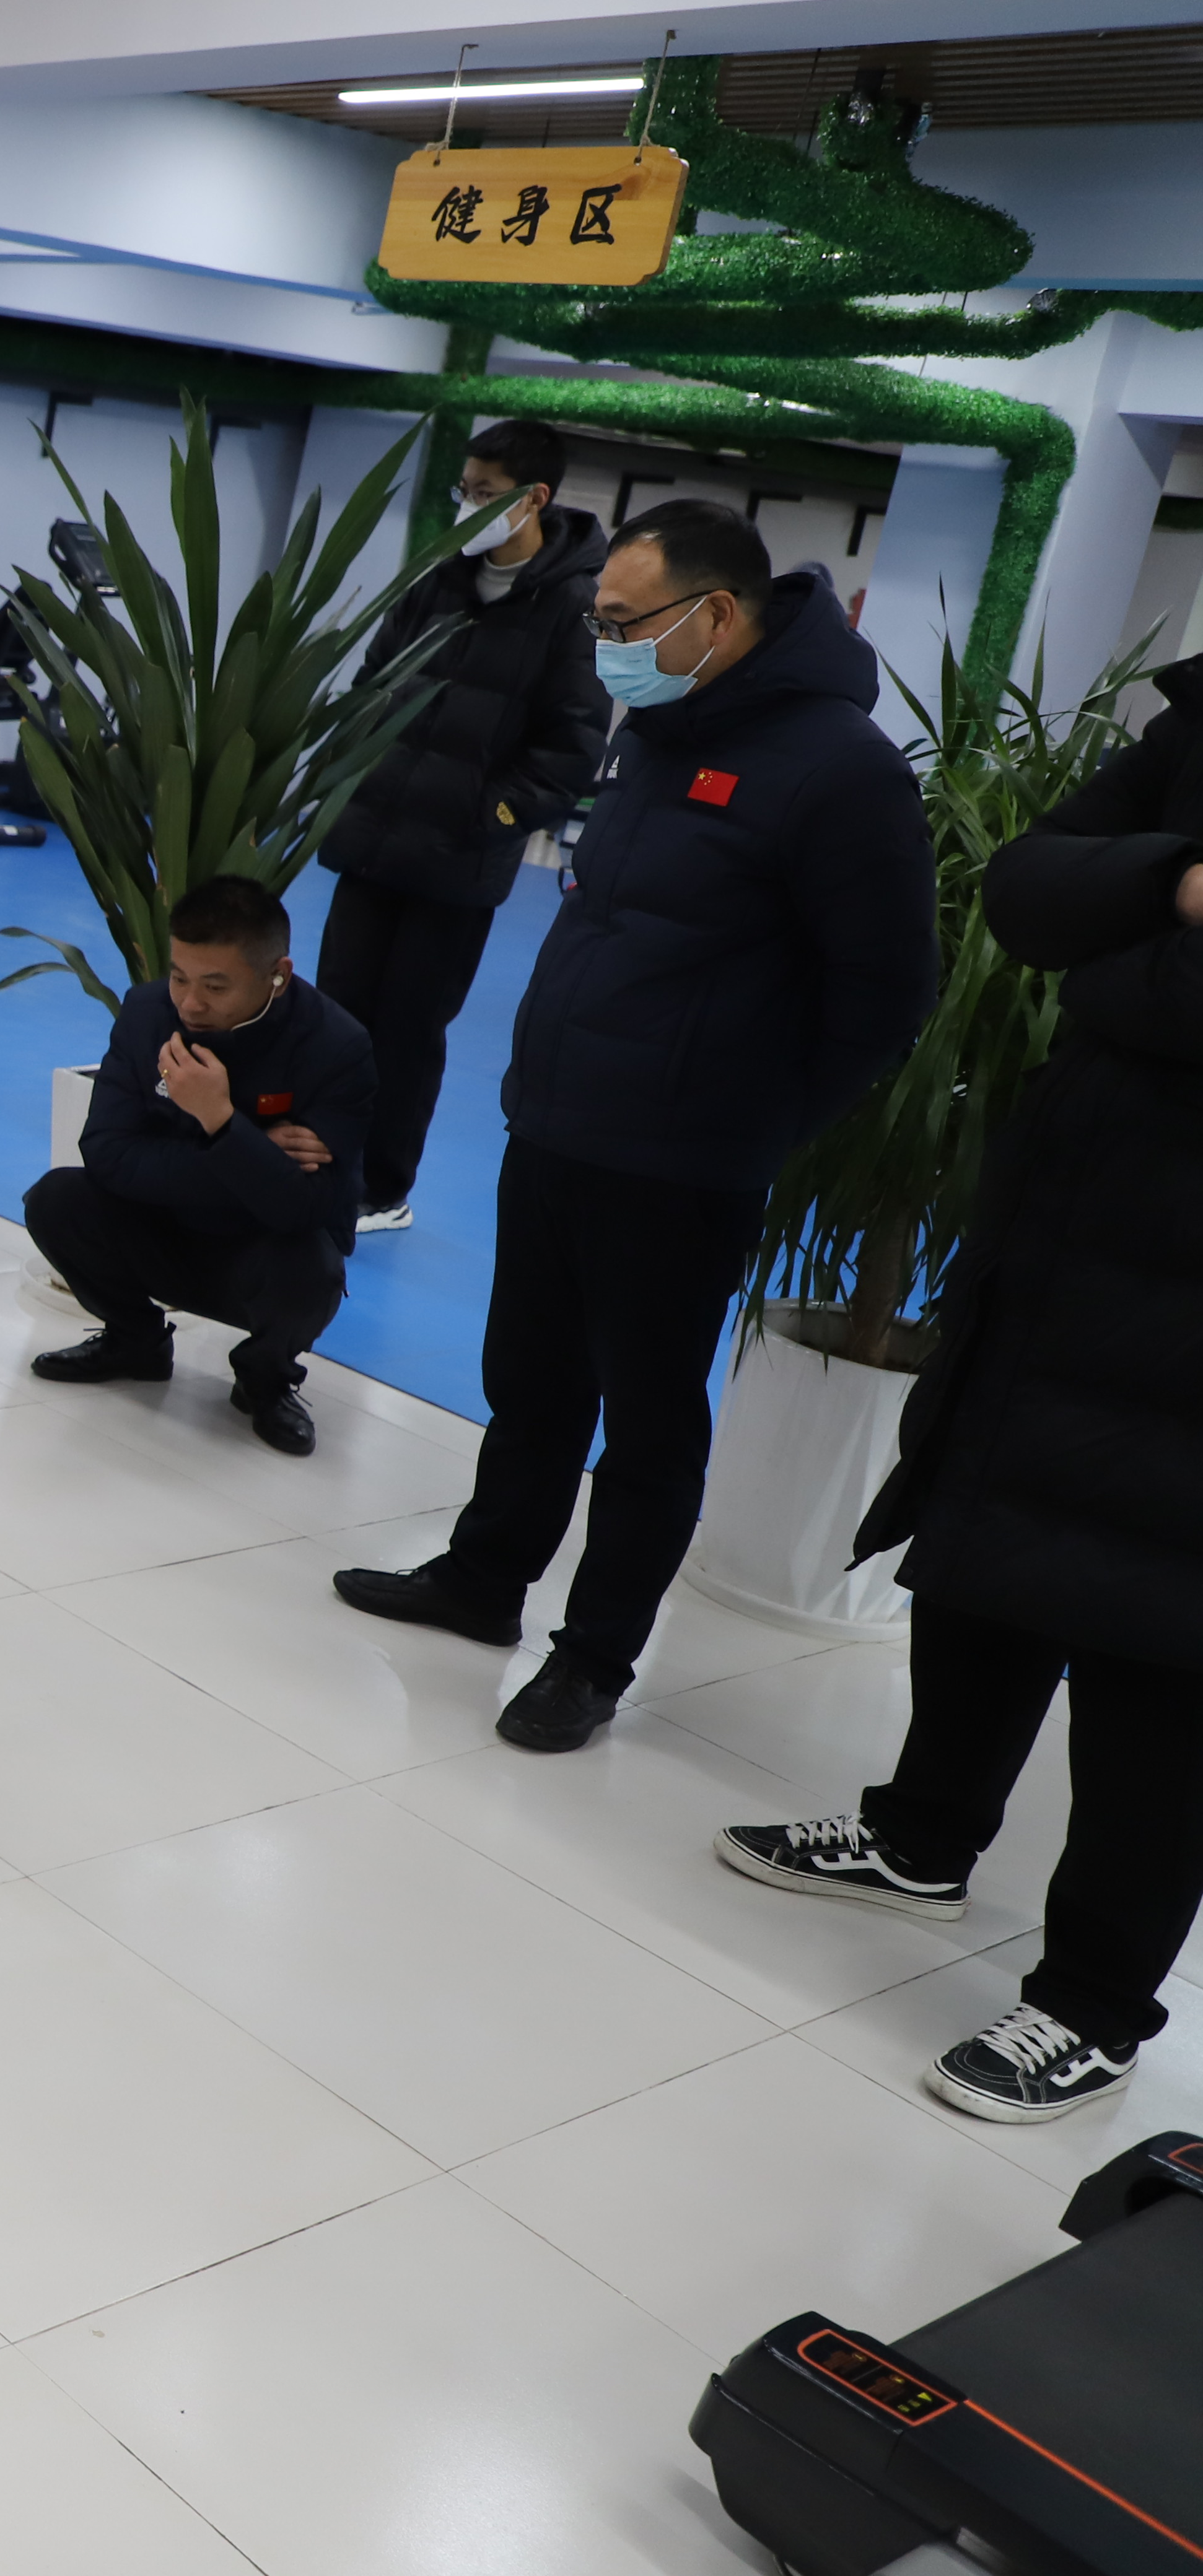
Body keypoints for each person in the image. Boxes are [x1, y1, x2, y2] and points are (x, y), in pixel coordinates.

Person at [333, 500, 938, 1751]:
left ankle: (595, 1656)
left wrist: (755, 1118)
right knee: (530, 1383)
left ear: (714, 614)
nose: (605, 644)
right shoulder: (661, 728)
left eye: (621, 622)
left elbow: (886, 997)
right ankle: (484, 1578)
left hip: (683, 1161)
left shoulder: (842, 770)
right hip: (559, 1120)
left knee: (650, 1424)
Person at [714, 676, 1203, 2125]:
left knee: (1163, 1670)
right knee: (986, 1562)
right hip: (1071, 1231)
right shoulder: (1193, 731)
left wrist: (1128, 960)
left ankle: (1093, 2003)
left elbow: (1115, 967)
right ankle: (920, 1838)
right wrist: (1181, 884)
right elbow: (1032, 887)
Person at [313, 417, 611, 1231]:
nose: (468, 506)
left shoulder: (575, 608)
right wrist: (351, 776)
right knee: (336, 1012)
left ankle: (382, 1188)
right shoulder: (437, 579)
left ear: (534, 498)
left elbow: (573, 748)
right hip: (372, 838)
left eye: (485, 494)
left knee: (409, 1031)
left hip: (457, 863)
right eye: (465, 490)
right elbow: (373, 685)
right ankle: (316, 1163)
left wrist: (489, 816)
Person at [22, 876, 373, 1456]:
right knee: (57, 1200)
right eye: (179, 976)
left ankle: (265, 1380)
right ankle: (136, 1342)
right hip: (163, 1231)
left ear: (278, 975)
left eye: (215, 985)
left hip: (260, 1253)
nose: (190, 1003)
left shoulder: (336, 1046)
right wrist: (252, 1150)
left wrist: (219, 1120)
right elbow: (106, 1153)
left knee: (314, 1266)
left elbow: (311, 1207)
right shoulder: (146, 1013)